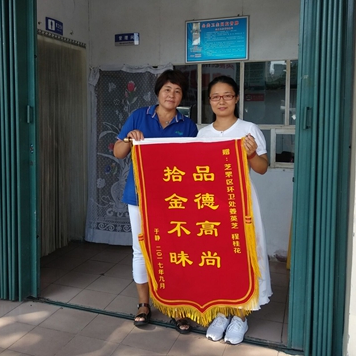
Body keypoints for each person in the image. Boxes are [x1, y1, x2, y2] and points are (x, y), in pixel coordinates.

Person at [113, 70, 198, 332]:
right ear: (158, 91)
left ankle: (177, 307)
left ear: (182, 96)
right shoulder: (139, 116)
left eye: (178, 91)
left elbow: (195, 163)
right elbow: (118, 152)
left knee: (175, 250)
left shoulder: (188, 125)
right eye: (167, 89)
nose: (172, 95)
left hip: (174, 200)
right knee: (141, 250)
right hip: (139, 196)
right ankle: (143, 304)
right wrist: (129, 139)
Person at [197, 75, 272, 345]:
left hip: (241, 205)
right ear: (209, 101)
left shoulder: (248, 129)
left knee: (244, 257)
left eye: (227, 95)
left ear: (237, 98)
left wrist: (251, 155)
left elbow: (262, 168)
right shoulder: (202, 134)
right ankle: (221, 312)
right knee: (217, 258)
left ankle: (240, 315)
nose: (222, 101)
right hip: (211, 205)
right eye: (216, 97)